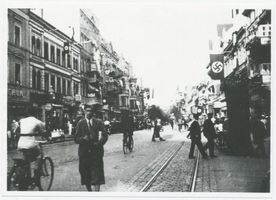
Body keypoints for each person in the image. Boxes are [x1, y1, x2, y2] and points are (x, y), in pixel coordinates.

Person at [74, 106, 108, 192]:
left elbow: (104, 135)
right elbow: (76, 138)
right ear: (84, 112)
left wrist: (99, 143)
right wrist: (83, 139)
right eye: (87, 111)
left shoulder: (98, 122)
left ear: (93, 113)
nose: (88, 112)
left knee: (97, 174)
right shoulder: (80, 123)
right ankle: (90, 192)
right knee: (85, 174)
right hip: (84, 153)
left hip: (96, 152)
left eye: (90, 111)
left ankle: (96, 194)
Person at [17, 114, 46, 184]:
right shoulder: (37, 121)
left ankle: (26, 176)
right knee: (39, 155)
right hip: (30, 144)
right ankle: (36, 171)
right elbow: (43, 131)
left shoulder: (22, 121)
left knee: (26, 160)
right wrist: (47, 137)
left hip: (20, 144)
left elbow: (17, 130)